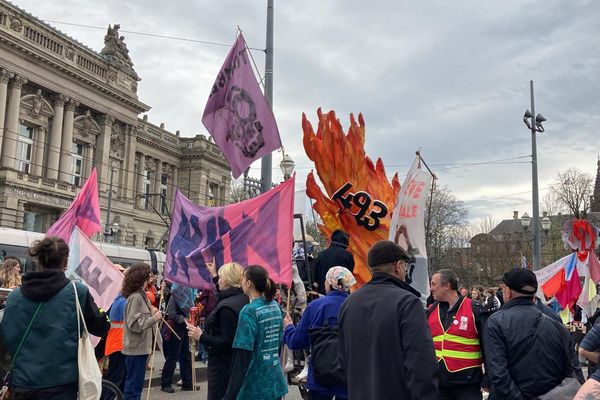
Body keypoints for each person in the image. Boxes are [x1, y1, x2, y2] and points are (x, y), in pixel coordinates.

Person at [0, 236, 109, 399]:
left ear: (39, 261)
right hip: (61, 384)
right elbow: (101, 327)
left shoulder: (14, 297)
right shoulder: (77, 292)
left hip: (22, 383)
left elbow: (5, 339)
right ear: (65, 262)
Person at [338, 240, 438, 399]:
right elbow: (421, 363)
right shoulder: (407, 302)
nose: (406, 271)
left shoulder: (349, 302)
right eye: (405, 266)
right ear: (398, 266)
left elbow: (343, 360)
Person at [484, 268, 577, 399]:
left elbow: (499, 375)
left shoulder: (496, 322)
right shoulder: (556, 323)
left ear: (508, 291)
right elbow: (571, 369)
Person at [283, 266, 355, 400]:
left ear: (329, 283)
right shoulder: (357, 306)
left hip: (320, 375)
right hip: (349, 375)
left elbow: (296, 342)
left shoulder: (316, 306)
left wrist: (288, 328)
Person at [222, 265, 288, 400]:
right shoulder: (275, 306)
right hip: (275, 379)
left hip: (255, 385)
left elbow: (242, 356)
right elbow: (278, 342)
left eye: (243, 279)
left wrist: (230, 394)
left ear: (248, 283)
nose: (241, 283)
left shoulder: (249, 311)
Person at [187, 262, 249, 400]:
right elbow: (224, 293)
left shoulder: (226, 308)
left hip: (222, 363)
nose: (218, 280)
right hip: (237, 361)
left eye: (220, 278)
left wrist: (201, 336)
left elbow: (226, 341)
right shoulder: (244, 298)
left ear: (225, 280)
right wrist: (215, 275)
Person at [428, 269, 487, 400]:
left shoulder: (474, 308)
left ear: (447, 285)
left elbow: (488, 346)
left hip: (467, 383)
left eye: (433, 284)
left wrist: (489, 376)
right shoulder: (431, 310)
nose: (430, 288)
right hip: (439, 384)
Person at [122, 263, 162, 400]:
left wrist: (153, 314)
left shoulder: (141, 295)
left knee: (136, 386)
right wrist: (154, 318)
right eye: (148, 276)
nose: (150, 279)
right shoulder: (135, 297)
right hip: (136, 349)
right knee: (133, 387)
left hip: (140, 348)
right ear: (142, 278)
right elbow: (135, 324)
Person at [160, 282, 194, 393]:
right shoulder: (174, 295)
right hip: (176, 328)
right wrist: (183, 319)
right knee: (173, 356)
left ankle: (188, 382)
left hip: (185, 327)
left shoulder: (188, 296)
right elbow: (171, 314)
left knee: (186, 354)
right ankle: (166, 383)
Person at [102, 264, 128, 399]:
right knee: (115, 379)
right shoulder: (119, 299)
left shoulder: (118, 297)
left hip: (120, 343)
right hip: (118, 343)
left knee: (118, 378)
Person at [314, 230, 354, 295]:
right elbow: (349, 275)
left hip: (323, 294)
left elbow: (316, 277)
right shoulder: (348, 255)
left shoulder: (321, 255)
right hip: (342, 295)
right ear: (344, 240)